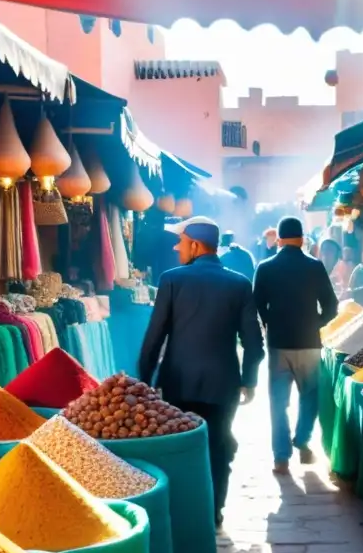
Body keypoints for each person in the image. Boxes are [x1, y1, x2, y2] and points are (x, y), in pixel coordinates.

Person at [138, 217, 264, 526]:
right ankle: (214, 512)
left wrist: (145, 380)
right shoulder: (239, 283)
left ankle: (184, 512)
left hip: (177, 383)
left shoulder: (171, 279)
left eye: (180, 242)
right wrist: (248, 380)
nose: (176, 248)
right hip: (223, 384)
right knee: (218, 447)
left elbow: (154, 337)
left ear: (195, 245)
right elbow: (254, 343)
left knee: (179, 446)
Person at [253, 217, 338, 475]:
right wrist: (316, 324)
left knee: (278, 403)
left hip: (279, 344)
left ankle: (281, 457)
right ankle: (302, 440)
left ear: (278, 240)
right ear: (302, 240)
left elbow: (256, 305)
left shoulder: (265, 267)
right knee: (309, 397)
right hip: (309, 343)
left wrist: (269, 323)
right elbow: (332, 306)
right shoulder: (315, 267)